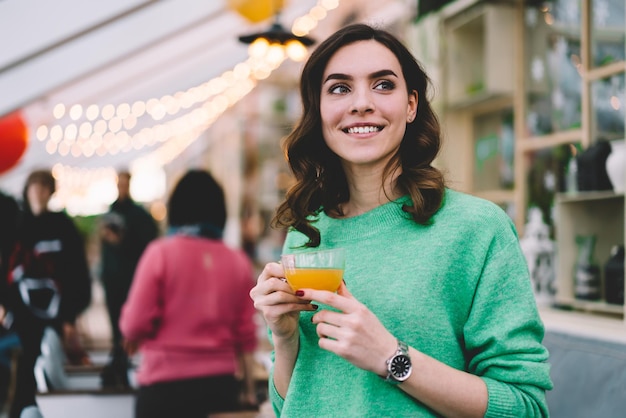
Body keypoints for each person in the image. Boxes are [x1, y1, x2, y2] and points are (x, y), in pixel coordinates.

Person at [249, 23, 553, 417]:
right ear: (319, 111)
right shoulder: (308, 233)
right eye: (339, 88)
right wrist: (285, 338)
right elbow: (294, 403)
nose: (360, 103)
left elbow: (525, 407)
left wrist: (391, 357)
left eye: (382, 85)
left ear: (411, 105)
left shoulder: (476, 230)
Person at [119, 169, 259, 418]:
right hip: (220, 388)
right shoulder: (238, 261)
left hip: (163, 390)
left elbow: (133, 325)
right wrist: (248, 391)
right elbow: (246, 335)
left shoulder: (159, 253)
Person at [1, 170, 92, 418]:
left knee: (48, 373)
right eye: (34, 187)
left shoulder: (62, 226)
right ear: (27, 190)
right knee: (22, 373)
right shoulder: (14, 227)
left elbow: (77, 274)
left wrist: (70, 316)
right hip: (20, 316)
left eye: (44, 187)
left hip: (54, 315)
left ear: (50, 192)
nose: (38, 193)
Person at [99, 170, 158, 388]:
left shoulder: (139, 216)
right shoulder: (110, 212)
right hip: (111, 279)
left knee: (130, 327)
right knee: (116, 327)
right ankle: (119, 370)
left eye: (124, 183)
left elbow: (148, 245)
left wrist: (123, 241)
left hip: (132, 279)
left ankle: (129, 370)